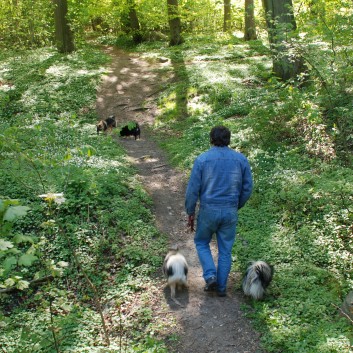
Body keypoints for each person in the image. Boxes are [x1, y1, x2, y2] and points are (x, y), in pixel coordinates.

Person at [185, 125, 253, 297]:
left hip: (208, 210)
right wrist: (237, 205)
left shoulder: (202, 160)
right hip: (230, 210)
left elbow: (193, 189)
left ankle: (210, 275)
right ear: (229, 139)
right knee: (225, 250)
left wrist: (190, 210)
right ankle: (221, 287)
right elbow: (247, 188)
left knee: (201, 242)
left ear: (211, 139)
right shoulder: (241, 160)